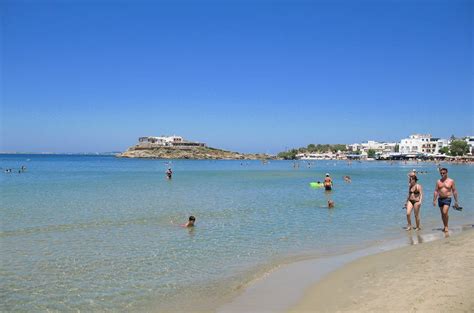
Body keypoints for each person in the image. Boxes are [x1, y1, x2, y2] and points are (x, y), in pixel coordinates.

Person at [433, 168, 460, 233]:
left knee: (445, 212)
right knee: (442, 214)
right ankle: (445, 226)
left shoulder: (451, 181)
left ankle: (446, 226)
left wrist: (456, 201)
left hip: (447, 198)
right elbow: (436, 191)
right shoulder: (438, 181)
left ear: (446, 173)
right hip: (440, 199)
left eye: (443, 173)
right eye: (441, 173)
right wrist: (434, 200)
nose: (442, 174)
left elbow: (454, 191)